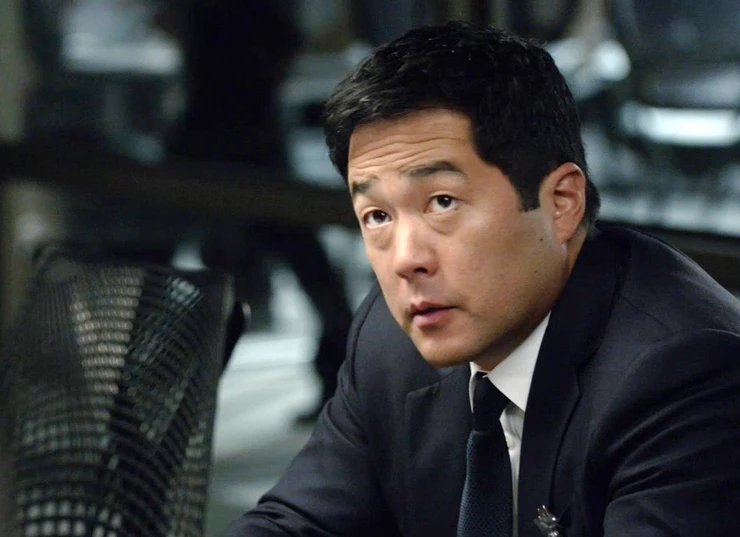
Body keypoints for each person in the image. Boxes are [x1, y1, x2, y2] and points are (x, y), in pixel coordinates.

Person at [222, 21, 740, 537]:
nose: (405, 260)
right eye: (377, 216)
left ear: (561, 203)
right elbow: (297, 522)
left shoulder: (684, 372)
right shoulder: (390, 341)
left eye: (442, 202)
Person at [164, 0, 354, 422]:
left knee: (301, 260)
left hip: (234, 129)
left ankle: (343, 379)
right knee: (302, 261)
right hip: (233, 129)